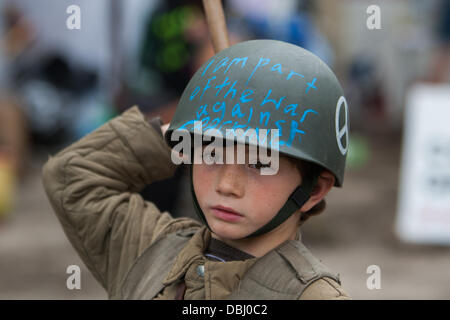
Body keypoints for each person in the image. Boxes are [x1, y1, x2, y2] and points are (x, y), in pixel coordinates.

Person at [42, 40, 351, 299]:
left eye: (258, 163)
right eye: (212, 155)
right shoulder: (151, 249)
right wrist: (187, 126)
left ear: (314, 189)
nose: (227, 185)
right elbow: (72, 176)